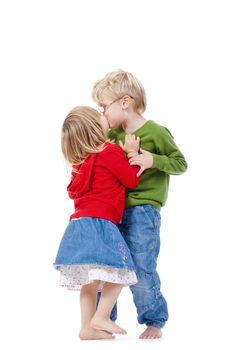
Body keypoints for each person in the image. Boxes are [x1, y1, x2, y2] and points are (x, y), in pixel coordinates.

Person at [92, 70, 188, 339]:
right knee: (107, 265)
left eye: (104, 106)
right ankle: (102, 319)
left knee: (141, 267)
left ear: (125, 102)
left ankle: (154, 320)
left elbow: (180, 163)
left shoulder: (156, 132)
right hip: (113, 211)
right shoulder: (112, 136)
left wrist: (152, 160)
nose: (102, 112)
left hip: (143, 211)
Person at [54, 106, 141, 340]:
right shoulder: (110, 151)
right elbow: (131, 179)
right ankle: (102, 316)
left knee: (90, 282)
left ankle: (87, 328)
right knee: (122, 269)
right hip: (101, 223)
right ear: (95, 127)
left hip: (78, 226)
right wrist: (132, 152)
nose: (105, 116)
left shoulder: (78, 164)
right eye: (100, 115)